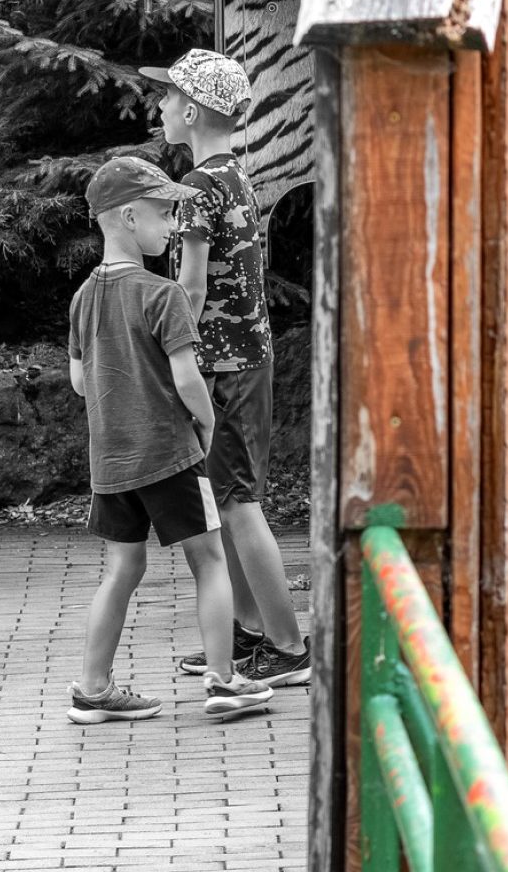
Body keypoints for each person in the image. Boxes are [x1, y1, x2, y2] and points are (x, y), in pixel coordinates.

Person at [67, 155, 274, 723]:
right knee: (208, 560)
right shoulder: (163, 296)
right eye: (164, 214)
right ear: (129, 217)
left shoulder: (83, 298)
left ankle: (92, 688)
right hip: (170, 455)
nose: (172, 226)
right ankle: (225, 680)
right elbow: (187, 380)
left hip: (111, 463)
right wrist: (205, 424)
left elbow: (81, 383)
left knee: (122, 569)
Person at [146, 50, 310, 687]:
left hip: (223, 369)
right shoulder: (234, 178)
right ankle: (245, 634)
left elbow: (189, 290)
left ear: (190, 111)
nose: (159, 108)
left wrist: (165, 354)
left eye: (166, 99)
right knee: (227, 500)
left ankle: (291, 648)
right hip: (247, 363)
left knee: (239, 505)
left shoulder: (193, 192)